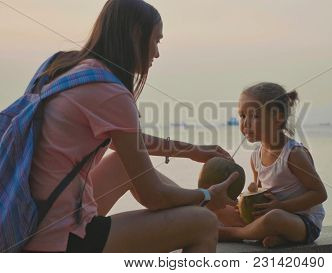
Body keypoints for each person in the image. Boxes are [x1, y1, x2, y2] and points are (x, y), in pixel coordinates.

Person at [23, 0, 237, 253]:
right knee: (204, 224)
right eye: (156, 41)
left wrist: (191, 150)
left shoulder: (65, 67)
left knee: (121, 165)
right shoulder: (110, 92)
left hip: (30, 220)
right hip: (58, 240)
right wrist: (206, 196)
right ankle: (207, 211)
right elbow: (153, 196)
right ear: (136, 34)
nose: (156, 53)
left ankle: (200, 208)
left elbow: (125, 142)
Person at [219, 82, 327, 248]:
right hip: (272, 215)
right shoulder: (256, 156)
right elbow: (261, 192)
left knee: (274, 218)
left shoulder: (293, 154)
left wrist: (281, 206)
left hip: (302, 222)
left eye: (254, 116)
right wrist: (245, 199)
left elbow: (319, 194)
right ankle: (270, 236)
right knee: (219, 207)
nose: (246, 123)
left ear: (278, 117)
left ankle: (234, 233)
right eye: (242, 116)